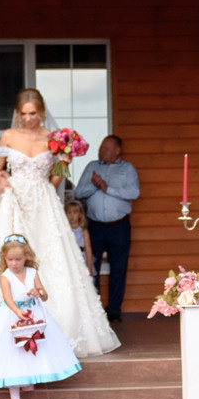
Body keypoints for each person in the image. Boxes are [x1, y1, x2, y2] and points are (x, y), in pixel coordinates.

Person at [0, 89, 119, 357]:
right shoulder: (9, 135)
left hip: (43, 199)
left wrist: (63, 164)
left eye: (33, 113)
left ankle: (62, 324)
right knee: (13, 254)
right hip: (14, 200)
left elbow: (56, 176)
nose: (28, 118)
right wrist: (2, 181)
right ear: (17, 114)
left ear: (42, 112)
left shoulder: (54, 138)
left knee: (51, 255)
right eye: (23, 114)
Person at [0, 235, 79, 399]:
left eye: (18, 259)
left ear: (26, 257)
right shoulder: (5, 277)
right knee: (13, 356)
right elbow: (8, 298)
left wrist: (37, 292)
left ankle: (29, 379)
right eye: (10, 260)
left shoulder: (32, 272)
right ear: (4, 259)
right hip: (12, 317)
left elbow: (44, 294)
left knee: (33, 350)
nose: (14, 264)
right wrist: (17, 311)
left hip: (34, 315)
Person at [66, 133, 138, 318]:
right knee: (91, 265)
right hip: (94, 226)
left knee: (118, 268)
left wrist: (107, 187)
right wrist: (95, 185)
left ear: (117, 150)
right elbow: (79, 192)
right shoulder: (92, 167)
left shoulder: (127, 169)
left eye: (106, 148)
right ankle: (94, 310)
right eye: (100, 148)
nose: (101, 151)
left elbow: (134, 192)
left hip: (118, 226)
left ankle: (114, 311)